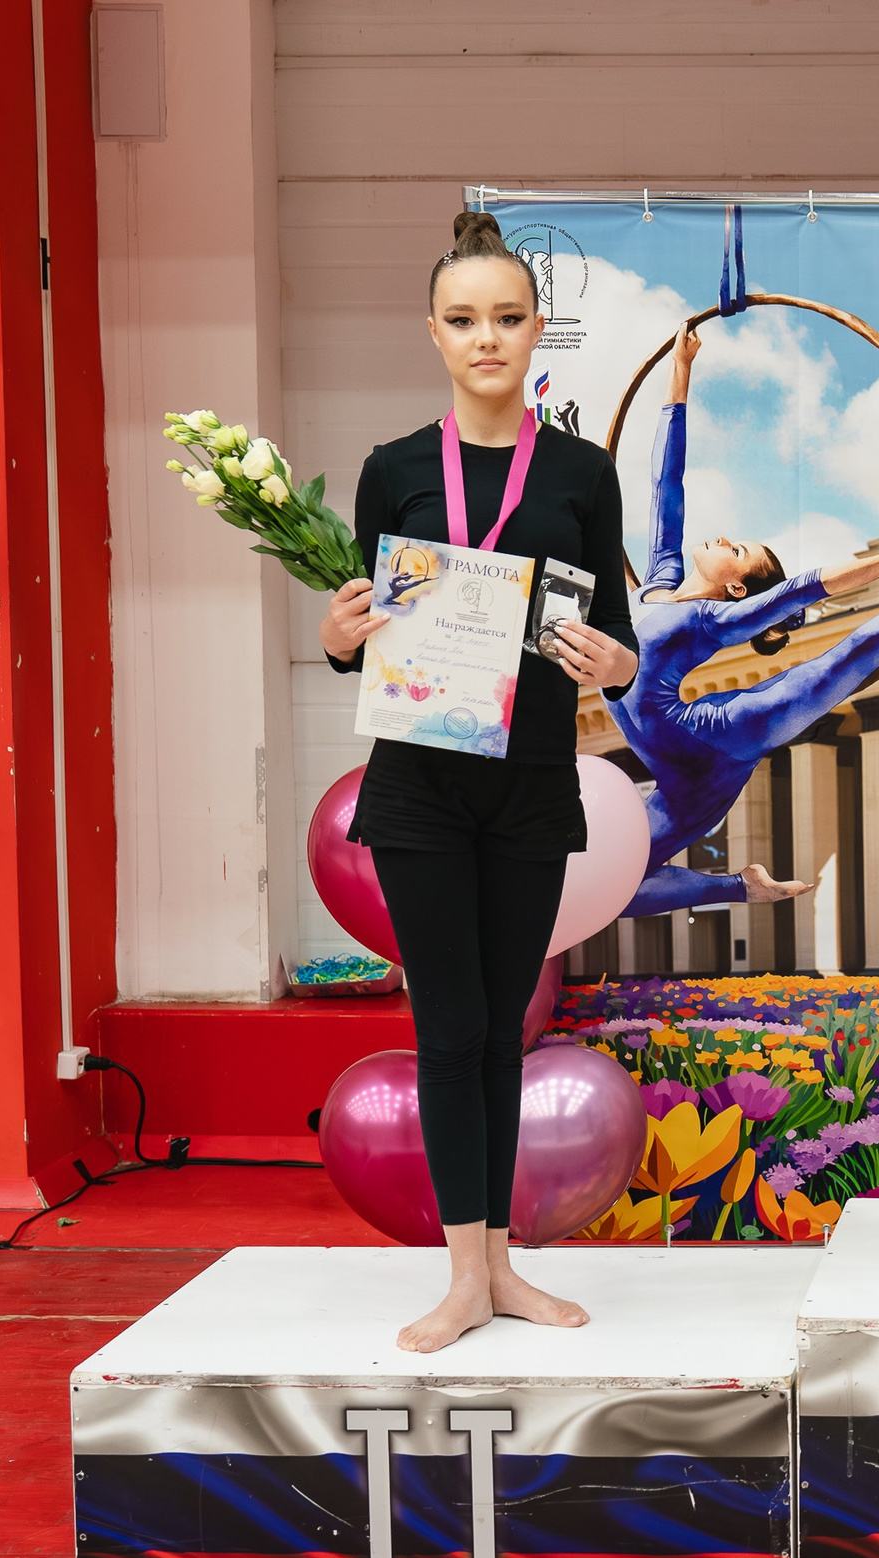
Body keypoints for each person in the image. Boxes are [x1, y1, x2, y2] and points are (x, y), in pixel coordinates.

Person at [319, 211, 641, 1354]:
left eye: (507, 318)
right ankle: (466, 1276)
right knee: (448, 1028)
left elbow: (620, 633)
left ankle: (501, 1269)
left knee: (500, 1027)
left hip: (531, 783)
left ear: (537, 331)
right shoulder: (394, 472)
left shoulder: (582, 475)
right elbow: (357, 629)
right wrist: (338, 631)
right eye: (464, 320)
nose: (487, 338)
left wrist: (619, 661)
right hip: (417, 788)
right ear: (434, 335)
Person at [608, 322, 879, 915]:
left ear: (737, 586)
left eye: (739, 549)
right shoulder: (659, 582)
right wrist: (681, 377)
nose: (726, 538)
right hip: (675, 776)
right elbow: (664, 485)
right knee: (615, 884)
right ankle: (743, 888)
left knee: (844, 661)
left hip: (717, 738)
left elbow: (805, 587)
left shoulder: (710, 622)